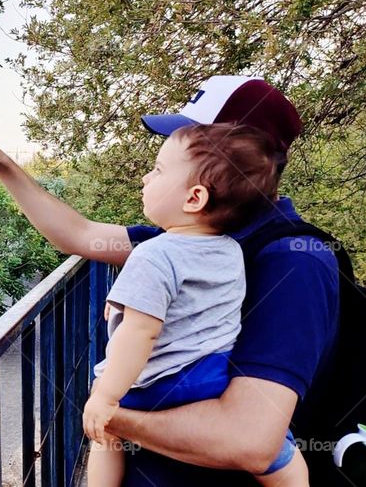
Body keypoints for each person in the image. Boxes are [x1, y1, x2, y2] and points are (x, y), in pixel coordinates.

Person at [0, 75, 340, 485]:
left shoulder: (294, 263)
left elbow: (249, 441)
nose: (148, 175)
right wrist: (1, 164)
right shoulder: (196, 235)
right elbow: (77, 235)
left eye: (189, 139)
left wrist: (109, 415)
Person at [82, 122, 306, 486]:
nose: (144, 178)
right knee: (285, 458)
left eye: (157, 170)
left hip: (153, 385)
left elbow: (140, 332)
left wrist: (106, 397)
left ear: (194, 199)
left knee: (104, 434)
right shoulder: (230, 249)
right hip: (212, 379)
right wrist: (123, 302)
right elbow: (187, 302)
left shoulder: (153, 254)